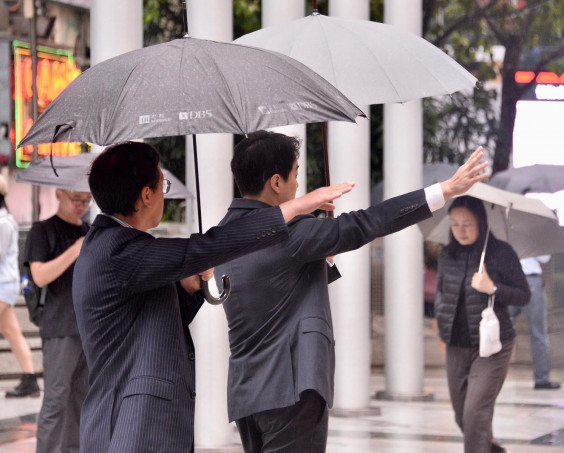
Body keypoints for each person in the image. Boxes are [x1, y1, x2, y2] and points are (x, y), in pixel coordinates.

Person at [215, 130, 488, 453]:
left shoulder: (222, 234)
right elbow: (367, 222)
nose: (297, 186)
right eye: (295, 175)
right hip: (292, 388)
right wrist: (444, 190)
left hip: (248, 393)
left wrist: (319, 257)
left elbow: (270, 286)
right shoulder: (292, 233)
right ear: (276, 182)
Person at [71, 141, 353, 453]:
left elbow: (144, 324)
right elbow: (209, 245)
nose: (164, 193)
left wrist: (189, 289)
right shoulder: (119, 249)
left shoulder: (113, 246)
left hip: (130, 425)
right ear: (147, 195)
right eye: (161, 184)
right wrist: (296, 208)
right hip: (131, 429)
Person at [435, 196, 530, 453]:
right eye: (455, 224)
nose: (461, 230)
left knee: (475, 413)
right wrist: (443, 331)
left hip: (492, 346)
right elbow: (441, 294)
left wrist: (493, 288)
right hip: (457, 345)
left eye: (467, 223)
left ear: (480, 222)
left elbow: (524, 294)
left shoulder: (500, 253)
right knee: (461, 416)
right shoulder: (447, 254)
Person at [24, 184, 91, 452]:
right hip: (59, 325)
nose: (81, 205)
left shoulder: (88, 231)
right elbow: (39, 276)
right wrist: (75, 251)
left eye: (86, 201)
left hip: (87, 326)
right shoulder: (42, 231)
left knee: (82, 398)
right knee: (56, 399)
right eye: (76, 199)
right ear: (59, 194)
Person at [0, 175, 40, 399]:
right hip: (5, 285)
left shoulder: (4, 223)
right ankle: (30, 378)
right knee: (12, 333)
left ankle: (30, 379)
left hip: (3, 285)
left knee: (12, 332)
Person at [509, 255, 561, 390]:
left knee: (500, 331)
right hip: (530, 282)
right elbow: (545, 258)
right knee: (538, 333)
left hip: (508, 282)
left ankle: (487, 375)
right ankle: (542, 380)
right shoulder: (533, 237)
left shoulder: (503, 236)